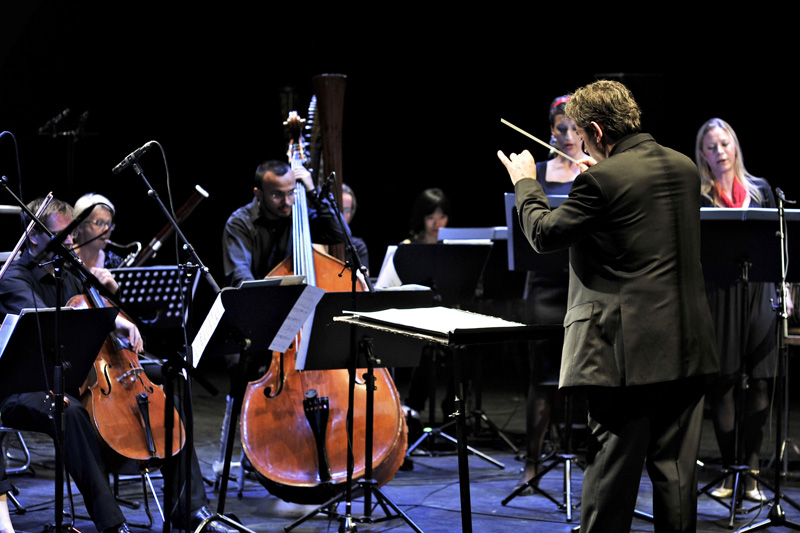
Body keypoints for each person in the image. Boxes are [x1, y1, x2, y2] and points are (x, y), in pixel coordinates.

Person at [498, 79, 719, 532]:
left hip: (626, 356)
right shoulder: (683, 167)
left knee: (610, 486)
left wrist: (526, 184)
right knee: (677, 479)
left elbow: (543, 233)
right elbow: (635, 222)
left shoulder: (602, 180)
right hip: (688, 349)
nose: (579, 143)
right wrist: (602, 174)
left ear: (597, 131)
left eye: (581, 134)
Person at [0, 197, 234, 533]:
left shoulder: (72, 269)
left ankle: (191, 511)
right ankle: (112, 524)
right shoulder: (14, 278)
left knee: (172, 393)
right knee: (71, 413)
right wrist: (102, 316)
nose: (70, 241)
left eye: (71, 234)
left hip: (86, 375)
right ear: (34, 236)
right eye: (61, 235)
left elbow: (95, 320)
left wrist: (112, 307)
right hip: (30, 385)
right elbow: (48, 325)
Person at [695, 117, 777, 502]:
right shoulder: (699, 197)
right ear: (703, 155)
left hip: (760, 292)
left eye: (724, 144)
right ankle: (730, 470)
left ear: (735, 147)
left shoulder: (760, 191)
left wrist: (785, 291)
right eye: (711, 147)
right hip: (719, 296)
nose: (720, 152)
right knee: (724, 382)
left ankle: (753, 472)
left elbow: (777, 247)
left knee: (760, 382)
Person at [517, 95, 585, 492]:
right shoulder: (538, 173)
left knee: (588, 375)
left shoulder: (595, 170)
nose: (570, 135)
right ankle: (532, 461)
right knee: (543, 379)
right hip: (545, 286)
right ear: (551, 131)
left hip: (584, 283)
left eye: (577, 128)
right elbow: (526, 223)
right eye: (563, 128)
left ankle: (589, 456)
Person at [221, 159, 346, 288]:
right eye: (277, 195)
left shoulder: (299, 216)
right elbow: (240, 275)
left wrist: (313, 193)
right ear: (258, 193)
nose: (287, 202)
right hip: (256, 297)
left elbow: (340, 234)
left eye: (291, 193)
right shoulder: (240, 223)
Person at [72, 192, 124, 294]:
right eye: (98, 223)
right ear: (80, 225)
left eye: (109, 224)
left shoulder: (115, 263)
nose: (106, 229)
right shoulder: (64, 260)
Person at [341, 182, 369, 273]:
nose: (341, 216)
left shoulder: (358, 246)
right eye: (338, 209)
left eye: (346, 210)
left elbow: (363, 280)